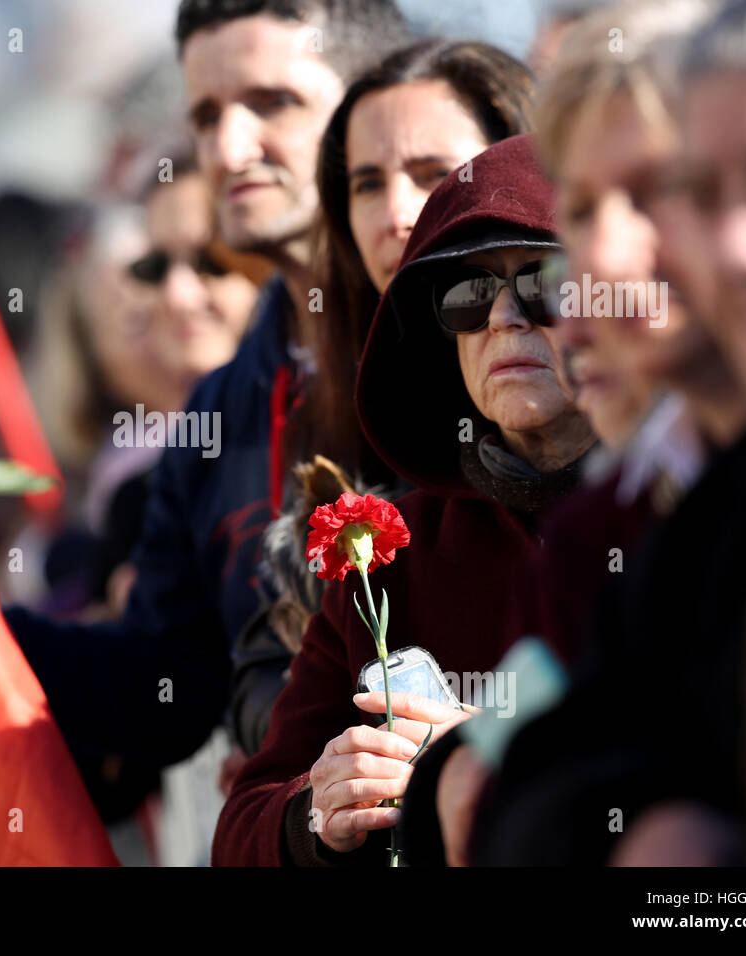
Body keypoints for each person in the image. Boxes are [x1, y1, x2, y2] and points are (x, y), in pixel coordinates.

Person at [4, 0, 408, 773]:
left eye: (273, 103)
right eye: (206, 113)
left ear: (370, 106)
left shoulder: (463, 342)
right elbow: (165, 684)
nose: (229, 146)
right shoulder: (218, 407)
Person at [465, 0, 746, 866]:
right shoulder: (621, 520)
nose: (605, 263)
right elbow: (511, 787)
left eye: (660, 189)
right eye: (580, 210)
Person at [212, 134, 596, 866]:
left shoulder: (684, 508)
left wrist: (480, 751)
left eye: (546, 283)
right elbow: (240, 832)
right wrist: (320, 814)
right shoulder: (387, 555)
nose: (504, 319)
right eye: (468, 295)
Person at [231, 38, 537, 756]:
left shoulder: (591, 420)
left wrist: (478, 753)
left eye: (435, 172)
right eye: (367, 183)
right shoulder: (303, 402)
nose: (397, 211)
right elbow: (257, 686)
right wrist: (325, 767)